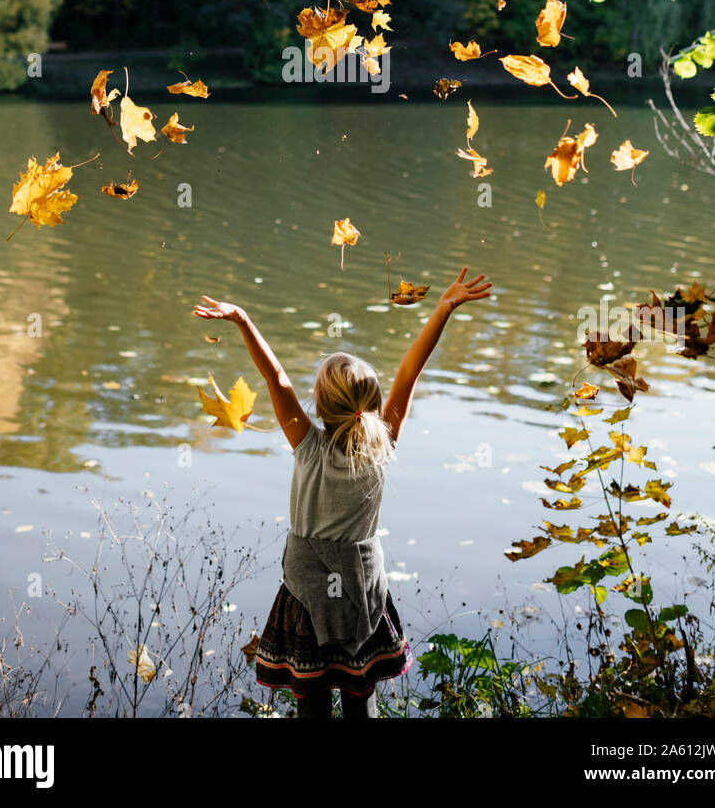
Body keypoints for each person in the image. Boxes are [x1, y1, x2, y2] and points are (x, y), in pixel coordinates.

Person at [194, 266, 493, 719]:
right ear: (370, 407)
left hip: (305, 594)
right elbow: (411, 370)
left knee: (311, 701)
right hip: (361, 592)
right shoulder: (382, 444)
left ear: (318, 405)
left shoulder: (307, 444)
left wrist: (242, 320)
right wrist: (442, 309)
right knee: (360, 696)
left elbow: (276, 378)